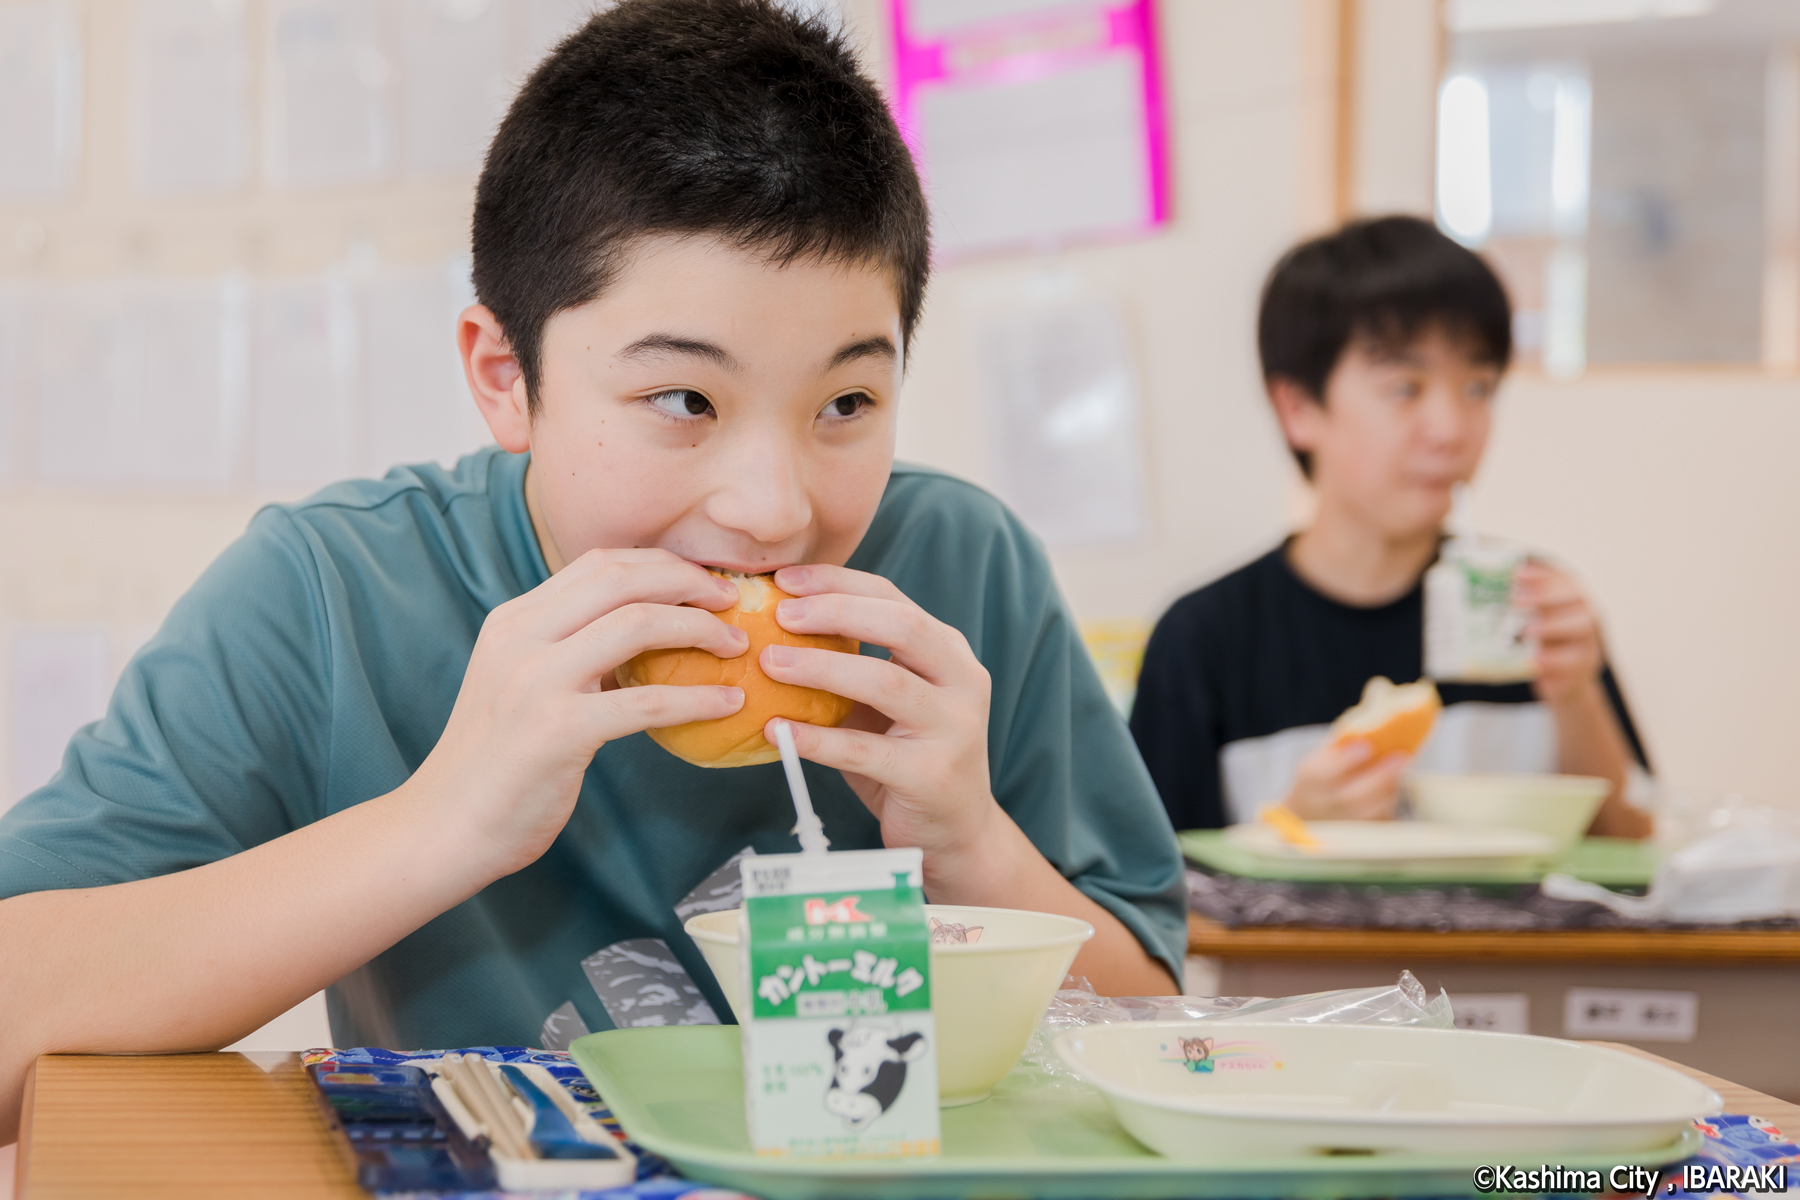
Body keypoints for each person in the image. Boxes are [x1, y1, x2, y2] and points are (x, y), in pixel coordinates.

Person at [0, 0, 1185, 1144]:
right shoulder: (333, 596)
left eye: (847, 401)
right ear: (505, 374)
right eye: (683, 399)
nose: (773, 510)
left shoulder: (958, 574)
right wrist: (442, 822)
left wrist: (973, 842)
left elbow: (1163, 1042)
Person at [1130, 216, 1653, 838]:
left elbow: (1634, 856)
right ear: (1298, 408)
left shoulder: (1528, 605)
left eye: (1478, 387)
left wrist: (1575, 696)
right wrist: (1288, 832)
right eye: (1405, 387)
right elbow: (1153, 906)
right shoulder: (1204, 641)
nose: (1452, 429)